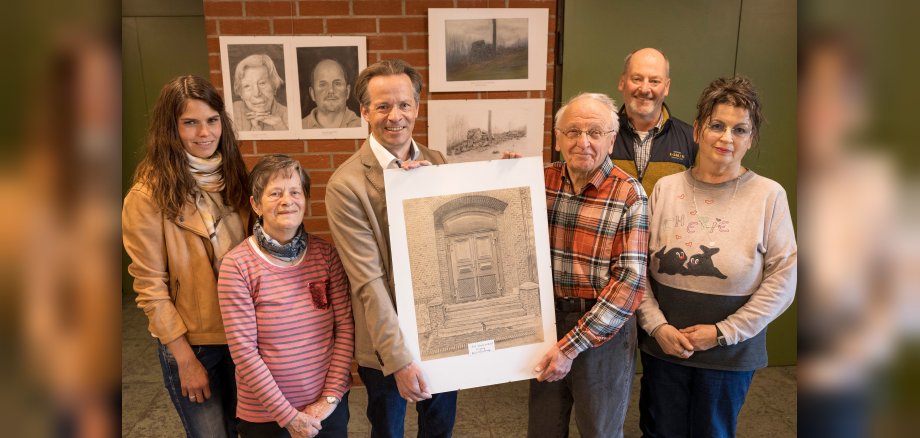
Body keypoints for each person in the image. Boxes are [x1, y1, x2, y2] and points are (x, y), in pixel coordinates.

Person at [636, 77, 797, 438]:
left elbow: (783, 280)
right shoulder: (666, 189)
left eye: (739, 129)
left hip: (731, 356)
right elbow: (638, 269)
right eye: (717, 126)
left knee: (714, 432)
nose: (727, 138)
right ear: (697, 130)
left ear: (750, 138)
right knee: (661, 430)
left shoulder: (769, 196)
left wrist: (723, 333)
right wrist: (657, 326)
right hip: (665, 349)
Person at [324, 59, 457, 437]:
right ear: (364, 111)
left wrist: (506, 176)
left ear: (417, 106)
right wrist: (398, 360)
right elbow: (368, 281)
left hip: (440, 331)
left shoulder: (438, 162)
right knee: (388, 429)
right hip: (384, 341)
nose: (395, 116)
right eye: (382, 106)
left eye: (404, 104)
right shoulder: (345, 184)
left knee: (440, 427)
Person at [123, 75, 251, 437]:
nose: (203, 133)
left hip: (243, 338)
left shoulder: (234, 178)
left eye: (211, 120)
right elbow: (150, 288)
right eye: (190, 123)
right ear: (170, 128)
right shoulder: (147, 196)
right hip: (195, 344)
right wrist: (184, 359)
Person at [528, 93, 648, 438]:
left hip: (603, 331)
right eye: (572, 132)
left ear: (611, 139)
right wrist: (417, 176)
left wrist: (571, 346)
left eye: (595, 132)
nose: (583, 142)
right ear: (557, 137)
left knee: (600, 430)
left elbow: (629, 284)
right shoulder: (540, 180)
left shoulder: (629, 194)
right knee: (543, 428)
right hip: (547, 324)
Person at [218, 154, 354, 438]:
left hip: (327, 410)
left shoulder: (326, 255)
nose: (287, 201)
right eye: (275, 193)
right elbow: (244, 353)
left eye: (295, 192)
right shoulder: (237, 265)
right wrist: (289, 417)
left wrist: (329, 399)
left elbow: (344, 331)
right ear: (256, 204)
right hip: (267, 417)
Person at [611, 47, 696, 195]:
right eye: (637, 79)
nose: (644, 89)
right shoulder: (601, 135)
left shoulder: (691, 139)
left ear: (666, 87)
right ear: (622, 82)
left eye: (654, 81)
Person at [233, 53, 289, 131]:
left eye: (262, 83)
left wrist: (280, 126)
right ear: (241, 93)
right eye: (247, 86)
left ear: (274, 86)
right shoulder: (233, 111)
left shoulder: (288, 114)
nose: (256, 93)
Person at [302, 58, 362, 129]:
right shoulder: (301, 127)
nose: (331, 90)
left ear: (347, 91)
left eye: (337, 83)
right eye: (323, 84)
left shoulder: (363, 126)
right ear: (312, 93)